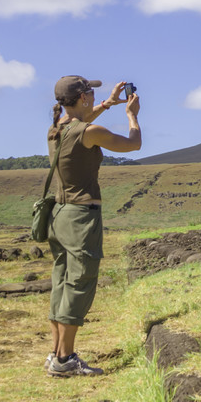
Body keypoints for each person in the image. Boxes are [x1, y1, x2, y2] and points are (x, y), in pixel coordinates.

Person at [44, 75, 141, 378]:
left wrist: (109, 103)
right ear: (83, 98)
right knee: (80, 282)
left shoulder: (56, 129)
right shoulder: (90, 131)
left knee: (61, 282)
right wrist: (131, 116)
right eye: (90, 93)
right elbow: (133, 145)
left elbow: (82, 123)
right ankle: (65, 360)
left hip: (58, 216)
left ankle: (57, 354)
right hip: (80, 218)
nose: (92, 97)